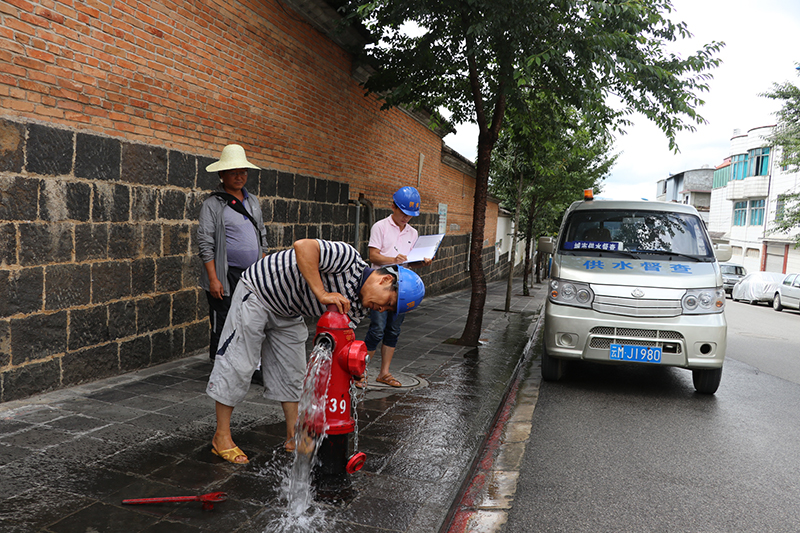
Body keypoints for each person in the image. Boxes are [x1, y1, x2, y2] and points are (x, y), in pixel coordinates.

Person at [206, 238, 425, 464]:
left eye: (388, 309)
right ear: (386, 279)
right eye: (388, 302)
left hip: (289, 312)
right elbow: (303, 246)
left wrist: (352, 367)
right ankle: (221, 437)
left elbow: (339, 344)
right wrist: (321, 293)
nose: (382, 309)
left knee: (294, 373)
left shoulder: (359, 308)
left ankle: (294, 435)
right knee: (239, 362)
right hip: (259, 291)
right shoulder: (348, 259)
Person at [197, 144, 267, 364]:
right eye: (234, 172)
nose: (240, 176)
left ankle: (248, 366)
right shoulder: (212, 204)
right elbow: (205, 243)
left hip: (252, 275)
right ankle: (220, 368)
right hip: (225, 275)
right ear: (222, 174)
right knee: (223, 321)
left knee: (251, 320)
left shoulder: (253, 201)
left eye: (243, 172)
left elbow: (262, 234)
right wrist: (213, 279)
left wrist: (263, 268)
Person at [361, 186, 431, 388]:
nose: (406, 218)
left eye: (410, 215)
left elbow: (410, 262)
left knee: (394, 329)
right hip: (382, 287)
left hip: (402, 289)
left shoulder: (413, 232)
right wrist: (393, 259)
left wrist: (423, 262)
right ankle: (360, 372)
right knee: (377, 329)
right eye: (403, 213)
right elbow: (373, 256)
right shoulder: (380, 227)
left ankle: (384, 373)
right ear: (393, 207)